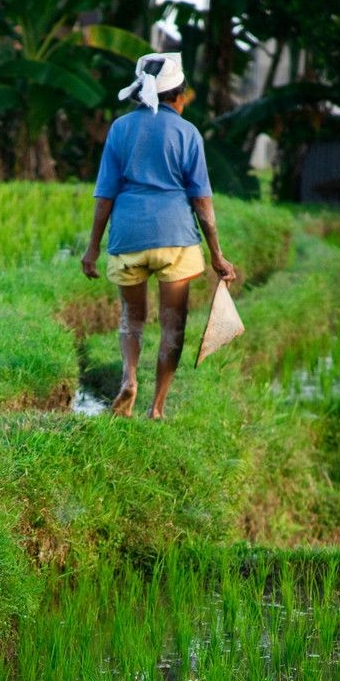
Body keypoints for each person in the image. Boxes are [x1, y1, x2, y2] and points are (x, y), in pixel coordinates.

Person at [81, 52, 236, 419]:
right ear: (179, 96)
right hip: (176, 240)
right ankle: (157, 408)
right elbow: (202, 201)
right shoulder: (187, 133)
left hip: (127, 238)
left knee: (131, 319)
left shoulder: (119, 129)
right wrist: (216, 255)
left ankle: (129, 379)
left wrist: (91, 250)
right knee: (173, 324)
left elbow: (105, 196)